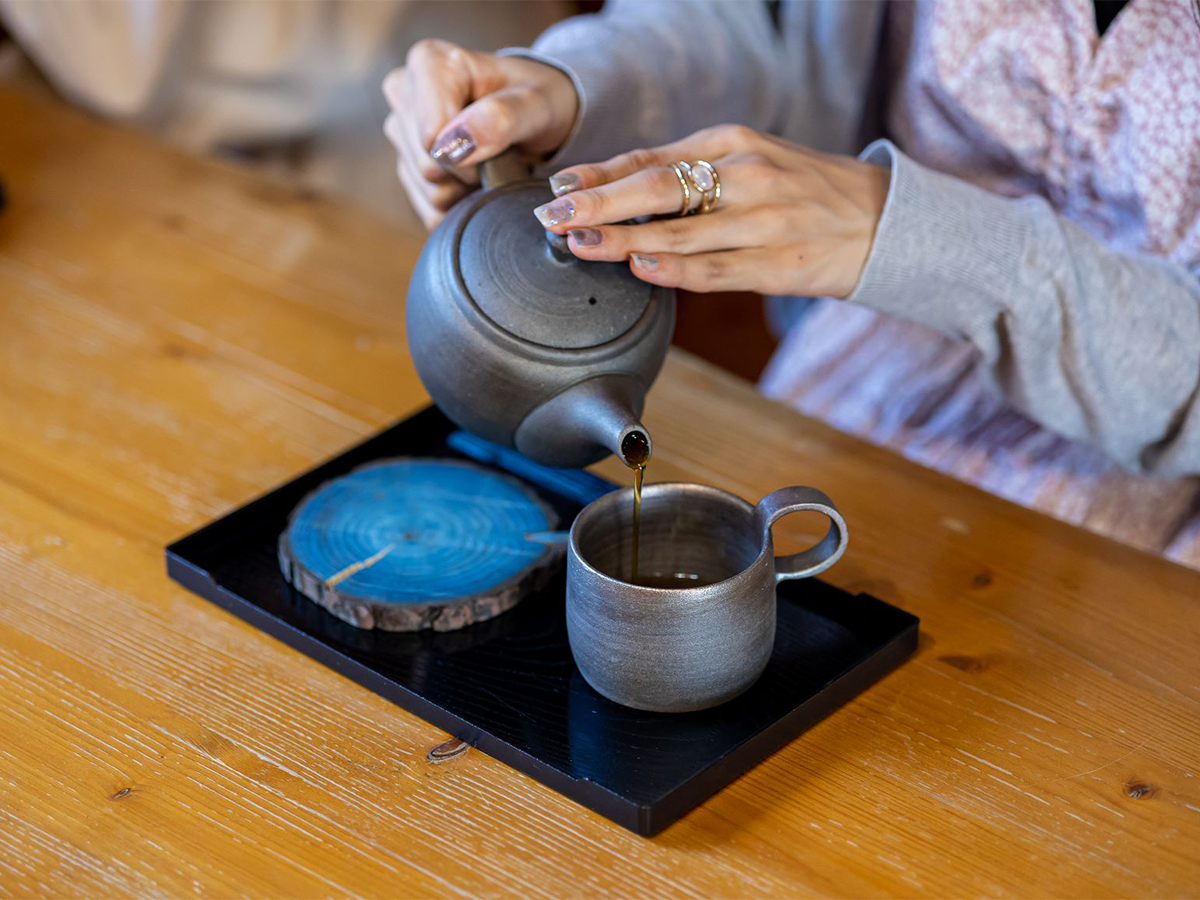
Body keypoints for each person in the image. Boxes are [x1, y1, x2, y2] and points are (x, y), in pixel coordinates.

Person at [384, 0, 1200, 568]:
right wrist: (574, 88)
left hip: (1150, 497)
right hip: (862, 364)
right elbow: (776, 31)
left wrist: (903, 231)